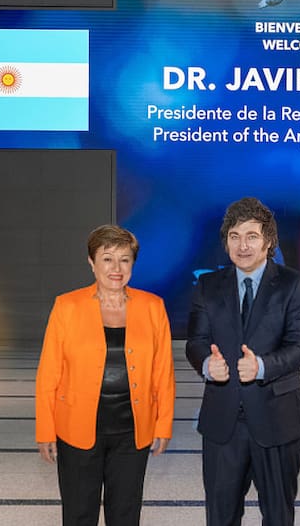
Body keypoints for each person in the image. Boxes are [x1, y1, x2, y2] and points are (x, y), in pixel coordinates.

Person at [186, 197, 300, 526]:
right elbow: (197, 342)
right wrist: (206, 365)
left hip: (278, 421)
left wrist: (261, 366)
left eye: (252, 236)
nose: (242, 245)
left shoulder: (294, 285)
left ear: (268, 241)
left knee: (277, 515)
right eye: (234, 236)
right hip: (222, 422)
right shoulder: (208, 286)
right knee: (220, 517)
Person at [36, 224, 175, 526]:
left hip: (132, 431)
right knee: (78, 513)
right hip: (76, 429)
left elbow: (163, 373)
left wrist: (163, 423)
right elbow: (49, 373)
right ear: (91, 262)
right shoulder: (66, 306)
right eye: (107, 258)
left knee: (125, 514)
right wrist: (45, 430)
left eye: (125, 259)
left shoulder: (153, 307)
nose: (116, 268)